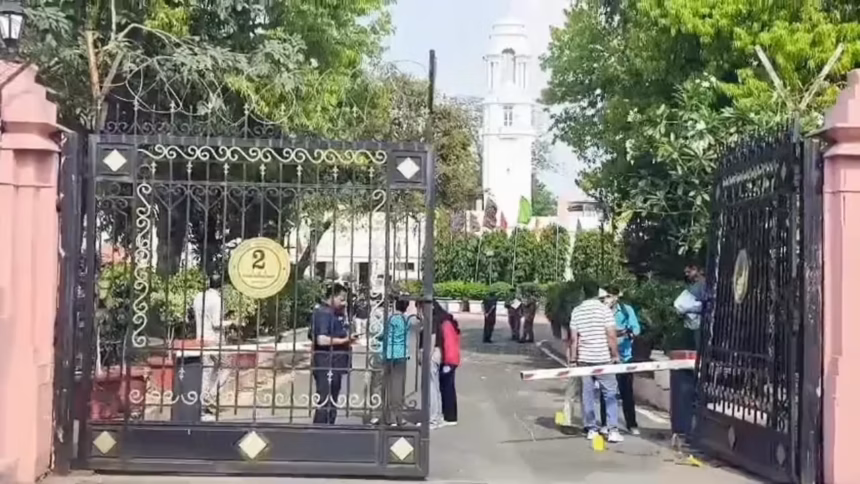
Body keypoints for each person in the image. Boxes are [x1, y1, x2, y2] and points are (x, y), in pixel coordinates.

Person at [569, 280, 624, 443]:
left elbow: (574, 339)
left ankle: (591, 429)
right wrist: (615, 355)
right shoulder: (604, 310)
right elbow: (611, 335)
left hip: (584, 359)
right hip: (603, 359)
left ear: (583, 293)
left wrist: (573, 359)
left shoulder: (577, 311)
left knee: (587, 395)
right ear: (598, 293)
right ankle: (612, 430)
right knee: (610, 394)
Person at [311, 283, 358, 424]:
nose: (344, 303)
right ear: (332, 297)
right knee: (325, 400)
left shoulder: (336, 313)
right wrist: (344, 340)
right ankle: (320, 429)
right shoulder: (323, 313)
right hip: (327, 362)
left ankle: (329, 427)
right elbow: (321, 339)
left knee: (332, 399)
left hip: (335, 363)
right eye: (341, 299)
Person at [598, 285, 642, 435]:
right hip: (606, 357)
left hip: (625, 358)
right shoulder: (600, 311)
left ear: (616, 297)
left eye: (609, 296)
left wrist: (627, 333)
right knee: (606, 392)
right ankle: (605, 424)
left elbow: (636, 328)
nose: (606, 300)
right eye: (604, 297)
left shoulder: (626, 310)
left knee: (626, 392)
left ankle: (632, 424)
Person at [192, 274, 231, 413]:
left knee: (207, 370)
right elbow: (216, 323)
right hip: (214, 339)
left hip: (201, 338)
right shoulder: (217, 300)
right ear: (221, 286)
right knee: (226, 367)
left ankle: (202, 403)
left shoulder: (198, 297)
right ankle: (211, 395)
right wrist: (231, 322)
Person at [369, 297, 411, 425]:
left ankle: (383, 415)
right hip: (402, 354)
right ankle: (396, 416)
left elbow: (383, 334)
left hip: (388, 353)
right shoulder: (407, 319)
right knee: (398, 387)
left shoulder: (391, 319)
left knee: (383, 385)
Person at [415, 299, 444, 428]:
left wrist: (426, 356)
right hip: (434, 353)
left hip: (431, 354)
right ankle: (436, 416)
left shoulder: (430, 320)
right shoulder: (432, 319)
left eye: (419, 307)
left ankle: (432, 419)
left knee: (430, 387)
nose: (418, 311)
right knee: (434, 386)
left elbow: (431, 339)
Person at [436, 301, 461, 427]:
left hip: (450, 360)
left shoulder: (445, 324)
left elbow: (449, 344)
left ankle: (450, 416)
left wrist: (447, 363)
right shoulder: (448, 322)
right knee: (447, 388)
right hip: (451, 359)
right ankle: (448, 415)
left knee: (447, 389)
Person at [680, 263, 706, 350]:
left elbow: (703, 301)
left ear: (695, 270)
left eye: (688, 272)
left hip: (700, 320)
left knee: (700, 346)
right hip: (693, 320)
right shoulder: (694, 285)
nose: (686, 274)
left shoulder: (702, 284)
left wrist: (689, 308)